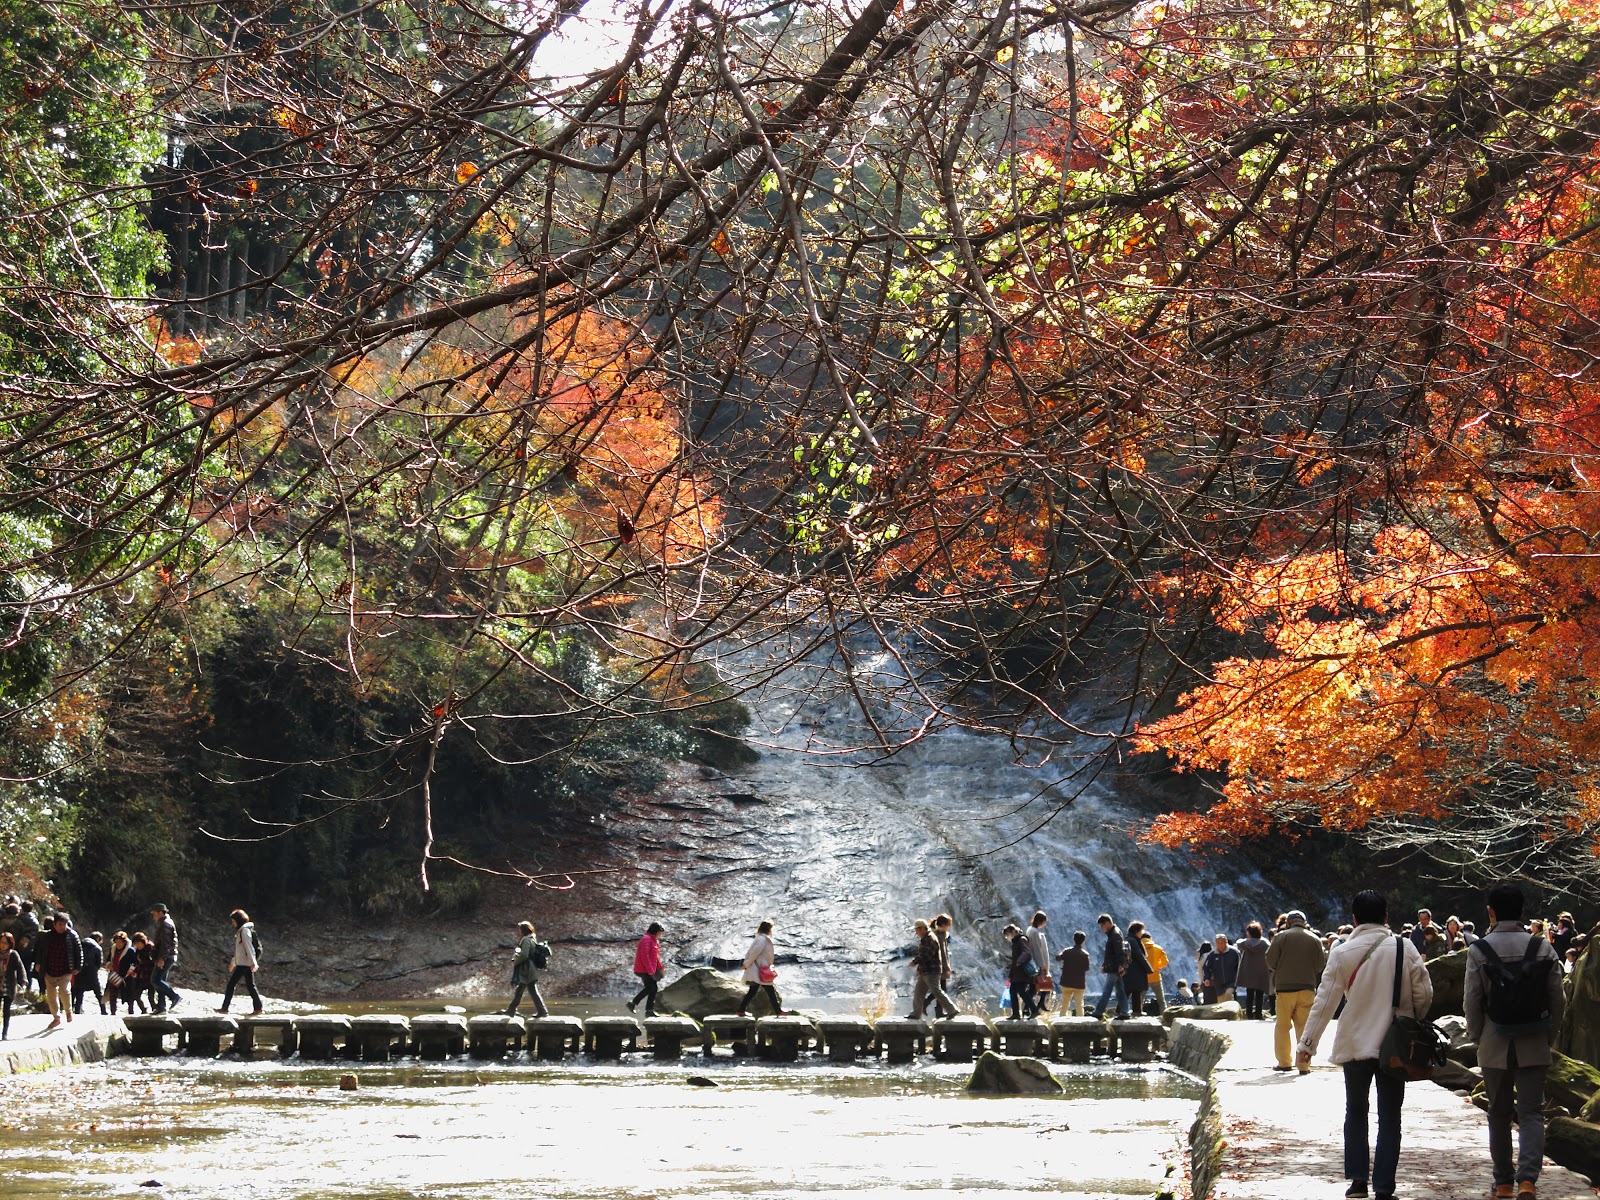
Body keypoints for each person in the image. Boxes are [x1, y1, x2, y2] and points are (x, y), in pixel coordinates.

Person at [1297, 889, 1433, 1200]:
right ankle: (1384, 1187)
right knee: (1390, 1116)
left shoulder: (1342, 952)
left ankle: (1358, 1181)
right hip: (1394, 1045)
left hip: (1355, 1042)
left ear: (1354, 918)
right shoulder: (1405, 947)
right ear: (1386, 916)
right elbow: (1425, 993)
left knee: (1355, 1111)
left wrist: (1308, 1043)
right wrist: (1410, 1019)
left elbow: (1325, 1001)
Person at [1466, 880, 1566, 1200]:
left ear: (1491, 912)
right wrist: (1549, 1033)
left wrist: (1477, 1035)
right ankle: (1528, 1181)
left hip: (1494, 1042)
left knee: (1498, 1112)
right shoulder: (1543, 947)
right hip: (1534, 1040)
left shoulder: (1478, 949)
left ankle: (1504, 1182)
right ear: (1522, 911)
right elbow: (1558, 998)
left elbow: (1472, 1000)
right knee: (1532, 1113)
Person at [1266, 909, 1326, 1072]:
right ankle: (1304, 1065)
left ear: (1289, 922)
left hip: (1285, 989)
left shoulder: (1280, 937)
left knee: (1283, 1026)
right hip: (1307, 988)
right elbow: (1320, 965)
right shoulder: (1314, 938)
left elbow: (1270, 962)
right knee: (1304, 1027)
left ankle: (1284, 1063)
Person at [38, 911, 83, 1029]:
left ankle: (68, 1010)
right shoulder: (46, 936)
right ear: (54, 924)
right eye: (60, 924)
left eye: (65, 924)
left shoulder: (72, 935)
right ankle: (56, 1017)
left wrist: (78, 967)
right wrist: (38, 963)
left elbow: (79, 952)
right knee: (51, 996)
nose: (62, 927)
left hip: (65, 970)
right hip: (49, 970)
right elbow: (40, 951)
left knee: (64, 991)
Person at [217, 909, 263, 1015]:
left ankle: (225, 1008)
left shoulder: (244, 931)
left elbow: (249, 947)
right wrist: (233, 962)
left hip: (244, 964)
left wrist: (253, 963)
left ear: (238, 920)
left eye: (233, 921)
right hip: (244, 962)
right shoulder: (242, 931)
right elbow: (240, 951)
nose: (232, 923)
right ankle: (258, 1008)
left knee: (231, 984)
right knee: (251, 986)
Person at [908, 919, 956, 1019]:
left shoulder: (930, 938)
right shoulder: (926, 938)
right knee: (918, 993)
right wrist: (919, 970)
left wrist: (914, 962)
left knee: (937, 991)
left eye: (916, 930)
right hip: (925, 971)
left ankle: (952, 1010)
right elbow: (924, 955)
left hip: (932, 972)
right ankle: (916, 1014)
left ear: (922, 928)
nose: (916, 933)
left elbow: (926, 955)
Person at [736, 920, 782, 1016]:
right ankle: (778, 1011)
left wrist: (747, 964)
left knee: (754, 991)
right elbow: (755, 953)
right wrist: (747, 964)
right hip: (759, 969)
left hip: (759, 968)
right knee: (768, 990)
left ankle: (741, 1010)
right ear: (768, 929)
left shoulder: (761, 938)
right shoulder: (762, 939)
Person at [507, 920, 551, 1017]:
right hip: (530, 969)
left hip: (527, 970)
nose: (519, 932)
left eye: (520, 930)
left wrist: (516, 961)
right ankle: (541, 1011)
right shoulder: (532, 939)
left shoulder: (526, 940)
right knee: (526, 990)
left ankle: (511, 1010)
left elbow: (524, 955)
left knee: (523, 990)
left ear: (523, 930)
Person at [626, 922, 665, 1017]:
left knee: (653, 988)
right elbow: (645, 956)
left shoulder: (654, 940)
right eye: (660, 932)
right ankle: (635, 1004)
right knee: (651, 988)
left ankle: (648, 1010)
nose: (661, 935)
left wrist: (660, 968)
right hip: (643, 969)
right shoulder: (646, 939)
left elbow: (655, 957)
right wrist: (650, 970)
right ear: (655, 931)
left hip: (649, 969)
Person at [1094, 914, 1129, 1019]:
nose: (1101, 928)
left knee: (1107, 990)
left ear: (1107, 923)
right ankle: (1125, 1012)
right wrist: (1105, 965)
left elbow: (1119, 952)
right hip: (1114, 966)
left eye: (1102, 925)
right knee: (1120, 991)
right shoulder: (1115, 933)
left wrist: (1121, 965)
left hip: (1114, 968)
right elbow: (1113, 953)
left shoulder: (1115, 934)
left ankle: (1099, 1012)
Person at [148, 903, 181, 1013]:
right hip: (169, 956)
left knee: (155, 979)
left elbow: (166, 944)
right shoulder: (167, 922)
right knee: (160, 981)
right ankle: (161, 1006)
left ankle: (174, 996)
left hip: (166, 957)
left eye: (155, 913)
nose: (154, 916)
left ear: (161, 913)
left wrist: (162, 958)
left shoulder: (165, 924)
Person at [1236, 922, 1271, 1019]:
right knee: (1259, 994)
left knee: (1249, 995)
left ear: (1250, 933)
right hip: (1261, 971)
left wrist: (1245, 939)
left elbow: (1238, 943)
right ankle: (1259, 1014)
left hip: (1248, 972)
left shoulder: (1245, 943)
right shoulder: (1265, 943)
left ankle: (1249, 1014)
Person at [1003, 924, 1039, 1019]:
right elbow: (1014, 961)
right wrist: (1010, 976)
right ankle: (1016, 1014)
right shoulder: (1016, 942)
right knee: (1014, 991)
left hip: (1022, 972)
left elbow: (1026, 952)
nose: (1008, 937)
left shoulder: (1021, 939)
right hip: (1017, 973)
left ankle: (1034, 1010)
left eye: (1008, 934)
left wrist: (1020, 961)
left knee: (1020, 992)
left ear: (1013, 931)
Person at [105, 932, 145, 1015]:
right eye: (116, 942)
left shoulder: (130, 950)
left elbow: (135, 961)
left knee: (129, 993)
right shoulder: (113, 949)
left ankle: (131, 1011)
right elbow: (108, 959)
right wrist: (109, 964)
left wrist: (131, 969)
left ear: (124, 942)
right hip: (114, 974)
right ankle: (113, 1012)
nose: (118, 944)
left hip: (127, 976)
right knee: (112, 993)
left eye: (120, 942)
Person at [72, 931, 106, 1015]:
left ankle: (77, 1011)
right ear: (98, 939)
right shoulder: (97, 947)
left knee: (79, 992)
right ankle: (103, 1010)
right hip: (91, 972)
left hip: (80, 971)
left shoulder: (80, 944)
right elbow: (99, 963)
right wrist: (94, 970)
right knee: (98, 993)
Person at [1057, 931, 1090, 1016]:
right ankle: (1080, 1024)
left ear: (1073, 939)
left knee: (1064, 1005)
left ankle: (1061, 1022)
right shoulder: (1085, 955)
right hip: (1079, 984)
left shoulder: (1067, 951)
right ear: (1083, 941)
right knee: (1079, 1005)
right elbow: (1087, 968)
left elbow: (1058, 958)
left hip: (1066, 982)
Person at [1201, 933, 1240, 1005]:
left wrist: (1240, 977)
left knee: (1228, 994)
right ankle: (1226, 1014)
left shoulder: (1234, 952)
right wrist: (1207, 978)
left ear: (1226, 942)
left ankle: (1230, 1012)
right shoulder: (1212, 955)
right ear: (1215, 943)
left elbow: (1240, 965)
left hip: (1232, 980)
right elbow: (1206, 968)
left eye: (1222, 942)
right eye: (1218, 943)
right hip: (1218, 982)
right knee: (1221, 1002)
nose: (1220, 945)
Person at [1024, 911, 1052, 1013]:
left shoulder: (1030, 929)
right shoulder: (1035, 932)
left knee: (1038, 985)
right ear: (1041, 921)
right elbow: (1037, 949)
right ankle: (1027, 1008)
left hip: (1032, 961)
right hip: (1036, 962)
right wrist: (1042, 965)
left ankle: (1040, 1004)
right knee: (1035, 987)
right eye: (1044, 921)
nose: (1045, 923)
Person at [1124, 922, 1152, 1015]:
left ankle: (1136, 1011)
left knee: (1133, 991)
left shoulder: (1129, 939)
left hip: (1131, 970)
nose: (1142, 933)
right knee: (1133, 991)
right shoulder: (1133, 941)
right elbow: (1139, 955)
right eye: (1141, 930)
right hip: (1135, 970)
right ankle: (1126, 1010)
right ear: (1136, 931)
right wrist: (1148, 968)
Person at [1141, 929, 1169, 1014]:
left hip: (1143, 977)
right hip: (1156, 976)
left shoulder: (1138, 948)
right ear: (1150, 938)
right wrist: (1157, 966)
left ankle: (1137, 1015)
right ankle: (1165, 1016)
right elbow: (1165, 962)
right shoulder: (1158, 948)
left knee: (1139, 1000)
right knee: (1161, 1000)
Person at [1, 932, 23, 1039]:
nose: (3, 945)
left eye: (5, 943)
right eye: (1, 942)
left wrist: (23, 979)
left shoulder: (13, 955)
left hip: (9, 986)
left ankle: (4, 1033)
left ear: (10, 943)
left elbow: (20, 968)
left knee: (6, 1010)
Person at [933, 913, 955, 999]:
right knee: (942, 990)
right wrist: (947, 968)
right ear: (943, 925)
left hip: (935, 966)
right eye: (948, 924)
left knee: (940, 989)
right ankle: (935, 1008)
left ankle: (939, 1010)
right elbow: (943, 953)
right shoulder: (941, 936)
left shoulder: (935, 934)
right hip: (940, 967)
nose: (949, 927)